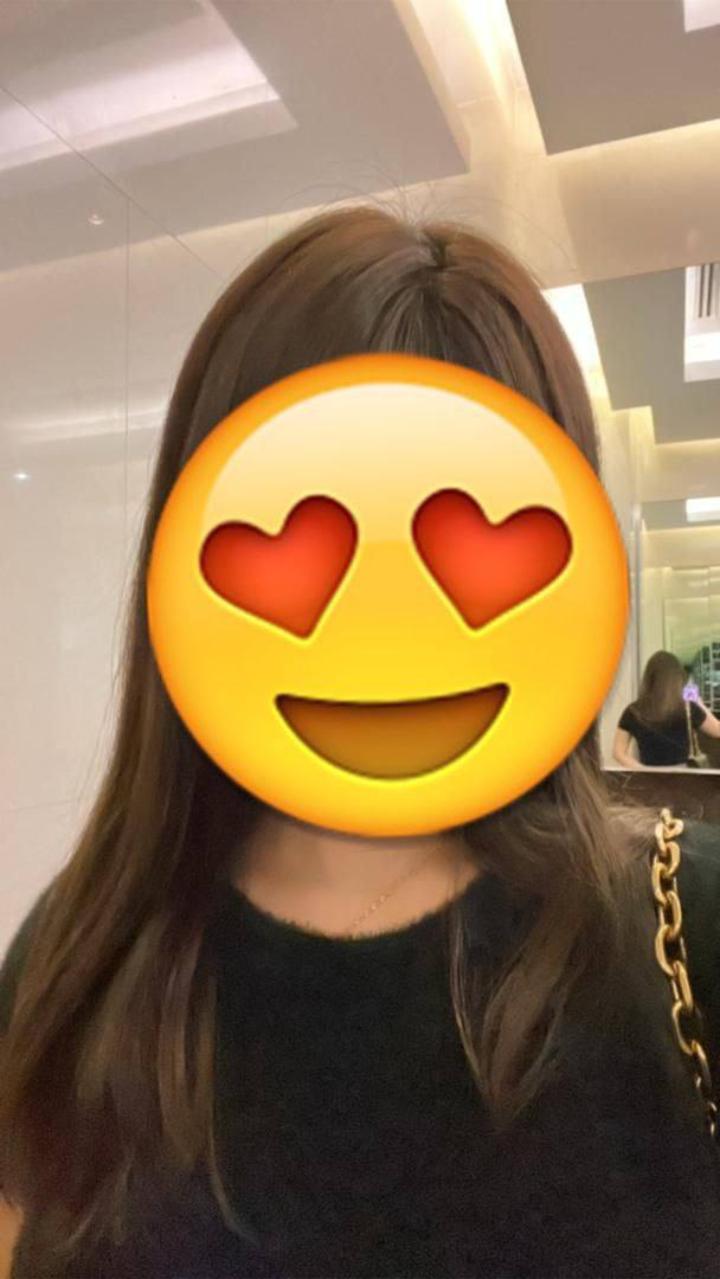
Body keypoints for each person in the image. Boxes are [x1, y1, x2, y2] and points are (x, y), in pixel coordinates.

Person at [3, 206, 720, 1279]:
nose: (386, 622)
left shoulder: (685, 927)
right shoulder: (83, 956)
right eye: (311, 539)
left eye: (462, 546)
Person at [614, 649, 720, 768]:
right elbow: (717, 730)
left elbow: (618, 753)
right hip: (682, 776)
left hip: (649, 776)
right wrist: (698, 701)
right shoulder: (687, 708)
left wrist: (644, 771)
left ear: (649, 678)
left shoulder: (633, 711)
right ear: (677, 678)